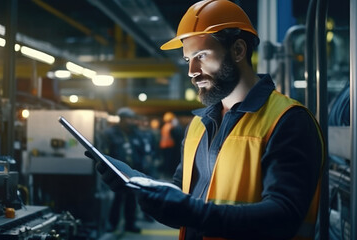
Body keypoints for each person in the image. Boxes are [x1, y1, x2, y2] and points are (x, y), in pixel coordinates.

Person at [91, 0, 325, 239]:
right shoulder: (198, 126)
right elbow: (182, 205)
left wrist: (195, 213)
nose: (192, 70)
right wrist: (137, 184)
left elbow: (284, 216)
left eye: (200, 55)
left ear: (238, 50)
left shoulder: (289, 121)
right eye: (187, 60)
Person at [100, 107, 144, 233]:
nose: (131, 121)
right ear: (122, 119)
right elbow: (105, 152)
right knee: (117, 199)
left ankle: (130, 224)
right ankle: (113, 224)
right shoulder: (110, 133)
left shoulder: (136, 133)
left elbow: (140, 150)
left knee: (131, 199)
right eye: (128, 119)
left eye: (132, 119)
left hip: (133, 172)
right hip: (117, 172)